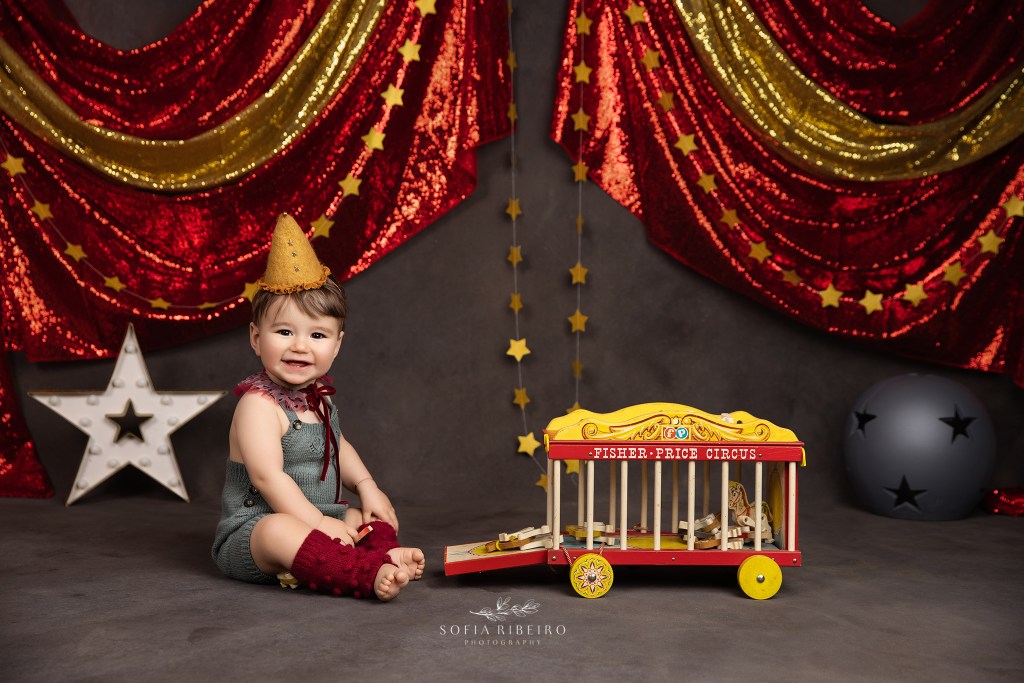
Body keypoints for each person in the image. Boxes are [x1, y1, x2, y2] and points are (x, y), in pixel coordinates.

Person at [212, 213, 424, 601]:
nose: (300, 346)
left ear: (337, 345)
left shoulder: (319, 399)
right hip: (256, 533)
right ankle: (361, 572)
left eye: (317, 334)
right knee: (278, 530)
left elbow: (338, 446)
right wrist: (319, 522)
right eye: (284, 331)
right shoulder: (258, 405)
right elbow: (267, 479)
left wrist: (367, 487)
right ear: (257, 338)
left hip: (319, 520)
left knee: (363, 517)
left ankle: (381, 557)